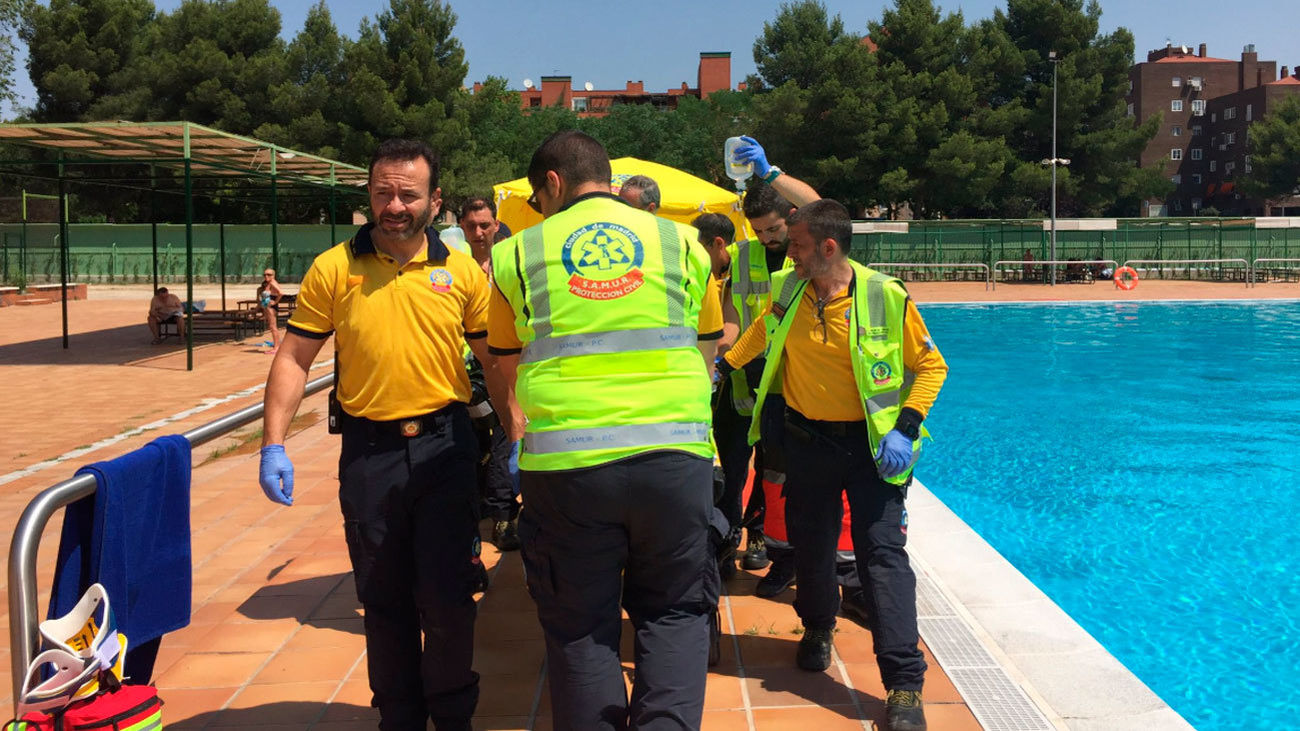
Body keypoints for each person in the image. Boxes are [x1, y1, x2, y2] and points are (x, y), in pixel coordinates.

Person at [258, 139, 507, 731]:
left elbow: (493, 360)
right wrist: (273, 443)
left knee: (448, 600)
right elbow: (294, 357)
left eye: (408, 194)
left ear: (434, 200)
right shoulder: (334, 268)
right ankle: (398, 716)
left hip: (447, 448)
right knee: (384, 599)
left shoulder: (461, 268)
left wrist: (519, 431)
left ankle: (452, 716)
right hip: (370, 454)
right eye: (382, 193)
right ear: (368, 195)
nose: (394, 205)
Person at [487, 130, 724, 729]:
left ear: (554, 185)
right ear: (610, 180)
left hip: (568, 469)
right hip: (675, 458)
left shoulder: (516, 254)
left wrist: (520, 429)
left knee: (580, 626)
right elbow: (707, 346)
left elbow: (504, 361)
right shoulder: (684, 242)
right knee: (673, 613)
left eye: (539, 199)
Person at [721, 198, 948, 731]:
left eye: (797, 246)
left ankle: (904, 687)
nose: (788, 253)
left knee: (883, 558)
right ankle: (818, 627)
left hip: (872, 451)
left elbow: (931, 365)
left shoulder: (883, 296)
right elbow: (760, 333)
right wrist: (721, 367)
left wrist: (905, 426)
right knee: (812, 547)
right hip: (806, 443)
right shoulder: (789, 287)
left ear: (828, 247)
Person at [722, 136, 819, 591]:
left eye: (773, 229)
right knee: (734, 467)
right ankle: (729, 538)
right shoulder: (740, 259)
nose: (766, 238)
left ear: (792, 219)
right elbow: (730, 323)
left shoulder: (810, 258)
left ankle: (766, 539)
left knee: (776, 473)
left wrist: (770, 171)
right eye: (758, 231)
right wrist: (720, 364)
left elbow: (822, 205)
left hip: (789, 387)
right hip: (744, 381)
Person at [459, 195, 522, 551]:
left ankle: (502, 517)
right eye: (471, 226)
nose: (479, 232)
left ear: (497, 226)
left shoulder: (509, 266)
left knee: (503, 436)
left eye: (485, 225)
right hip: (467, 373)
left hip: (506, 366)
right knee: (476, 443)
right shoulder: (457, 270)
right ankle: (487, 508)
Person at [256, 268, 283, 353]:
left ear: (273, 275)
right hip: (267, 307)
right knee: (272, 327)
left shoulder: (272, 283)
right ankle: (277, 346)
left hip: (271, 307)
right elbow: (264, 298)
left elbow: (281, 293)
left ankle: (276, 347)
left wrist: (275, 302)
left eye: (269, 274)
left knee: (273, 327)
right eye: (264, 274)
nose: (266, 276)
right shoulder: (267, 284)